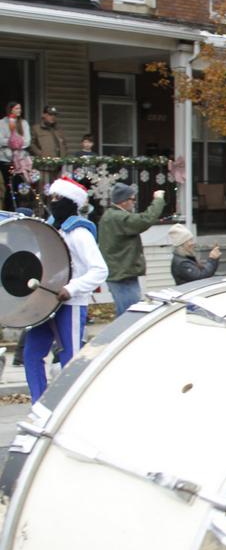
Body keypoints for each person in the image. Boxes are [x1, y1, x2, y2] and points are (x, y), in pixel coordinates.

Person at [23, 177, 107, 402]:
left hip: (69, 303)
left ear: (71, 201)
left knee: (70, 359)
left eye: (58, 198)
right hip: (44, 303)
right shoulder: (51, 230)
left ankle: (70, 409)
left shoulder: (80, 233)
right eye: (52, 197)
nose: (53, 202)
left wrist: (72, 288)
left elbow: (99, 270)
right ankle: (39, 406)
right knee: (31, 354)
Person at [98, 183, 166, 316]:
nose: (134, 203)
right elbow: (145, 220)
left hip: (120, 272)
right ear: (123, 201)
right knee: (130, 316)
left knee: (127, 313)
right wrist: (158, 200)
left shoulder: (111, 215)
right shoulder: (118, 217)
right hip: (122, 275)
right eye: (132, 199)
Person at [0, 101, 31, 211]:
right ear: (11, 109)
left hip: (20, 161)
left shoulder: (23, 123)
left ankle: (18, 209)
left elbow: (27, 141)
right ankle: (8, 209)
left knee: (19, 187)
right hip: (5, 159)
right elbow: (0, 139)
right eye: (17, 108)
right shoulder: (2, 123)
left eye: (20, 108)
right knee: (8, 187)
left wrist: (18, 142)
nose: (19, 111)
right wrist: (11, 142)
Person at [29, 105, 66, 186]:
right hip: (44, 167)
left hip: (58, 167)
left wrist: (64, 156)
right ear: (44, 115)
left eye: (54, 115)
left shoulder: (58, 130)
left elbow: (64, 145)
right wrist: (41, 154)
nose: (53, 117)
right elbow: (31, 144)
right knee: (44, 191)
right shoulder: (36, 128)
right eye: (50, 114)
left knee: (57, 192)